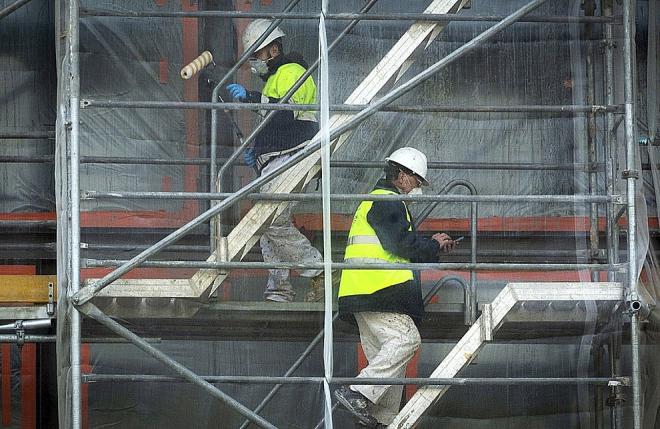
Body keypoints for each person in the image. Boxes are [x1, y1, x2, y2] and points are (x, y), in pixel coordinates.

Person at [334, 147, 456, 428]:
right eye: (417, 181)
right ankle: (357, 392)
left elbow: (397, 245)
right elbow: (401, 245)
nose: (418, 188)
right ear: (401, 176)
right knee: (406, 340)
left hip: (368, 294)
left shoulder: (382, 203)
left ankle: (380, 421)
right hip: (377, 293)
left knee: (391, 370)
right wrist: (433, 245)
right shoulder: (387, 201)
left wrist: (431, 245)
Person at [226, 19, 324, 302]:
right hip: (280, 159)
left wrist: (252, 98)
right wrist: (256, 154)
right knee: (267, 222)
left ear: (271, 48)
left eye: (255, 54)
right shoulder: (275, 79)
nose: (253, 61)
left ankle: (316, 270)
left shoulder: (292, 71)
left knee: (270, 221)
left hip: (293, 156)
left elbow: (285, 114)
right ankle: (279, 288)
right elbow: (274, 125)